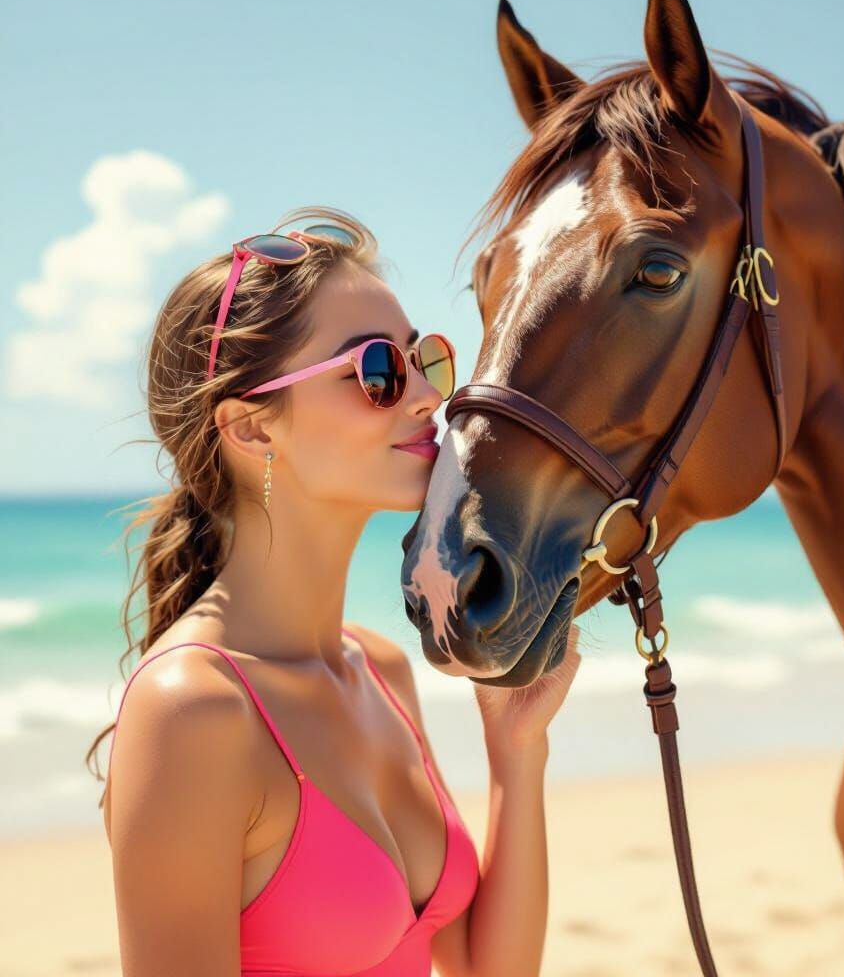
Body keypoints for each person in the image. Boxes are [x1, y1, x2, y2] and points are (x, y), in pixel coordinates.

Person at [85, 205, 582, 976]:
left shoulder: (380, 671)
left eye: (426, 361)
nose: (427, 398)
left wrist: (517, 753)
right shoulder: (193, 713)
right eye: (378, 371)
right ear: (251, 429)